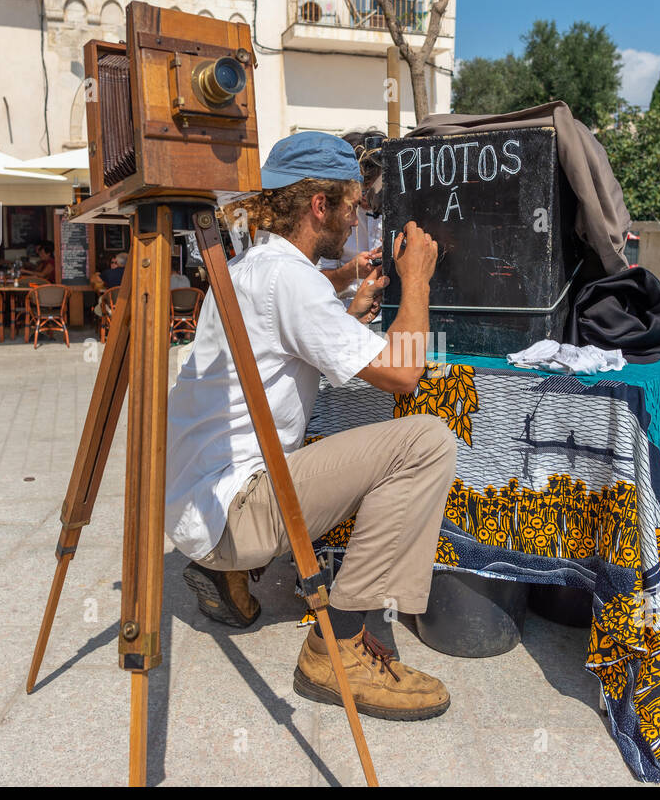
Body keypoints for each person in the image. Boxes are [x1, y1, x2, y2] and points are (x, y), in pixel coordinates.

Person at [167, 132, 454, 722]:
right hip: (236, 510)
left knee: (318, 430)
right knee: (426, 442)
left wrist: (347, 288)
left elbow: (290, 316)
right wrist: (417, 276)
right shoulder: (289, 281)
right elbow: (403, 374)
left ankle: (228, 575)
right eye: (352, 206)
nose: (357, 220)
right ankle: (339, 644)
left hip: (199, 501)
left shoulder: (247, 267)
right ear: (319, 205)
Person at [319, 129, 386, 302]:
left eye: (374, 189)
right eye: (362, 190)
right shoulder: (330, 217)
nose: (367, 197)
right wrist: (349, 272)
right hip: (347, 311)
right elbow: (317, 283)